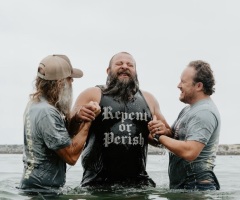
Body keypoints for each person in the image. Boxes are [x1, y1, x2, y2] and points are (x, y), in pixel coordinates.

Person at [68, 52, 172, 188]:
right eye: (119, 64)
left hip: (139, 185)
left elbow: (168, 137)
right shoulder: (93, 94)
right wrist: (77, 117)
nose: (125, 66)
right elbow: (68, 129)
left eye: (130, 65)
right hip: (97, 185)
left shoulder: (149, 99)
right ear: (108, 70)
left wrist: (162, 131)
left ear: (135, 71)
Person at [18, 54, 100, 194]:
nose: (72, 82)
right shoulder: (47, 113)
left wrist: (77, 119)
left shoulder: (36, 105)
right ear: (59, 83)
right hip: (43, 192)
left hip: (34, 187)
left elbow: (60, 136)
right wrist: (89, 120)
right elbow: (71, 156)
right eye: (69, 78)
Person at [151, 60, 221, 190]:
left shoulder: (204, 112)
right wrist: (162, 131)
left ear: (198, 86)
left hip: (197, 187)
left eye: (183, 82)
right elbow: (173, 138)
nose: (178, 85)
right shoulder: (188, 110)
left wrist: (158, 137)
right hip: (186, 186)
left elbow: (190, 151)